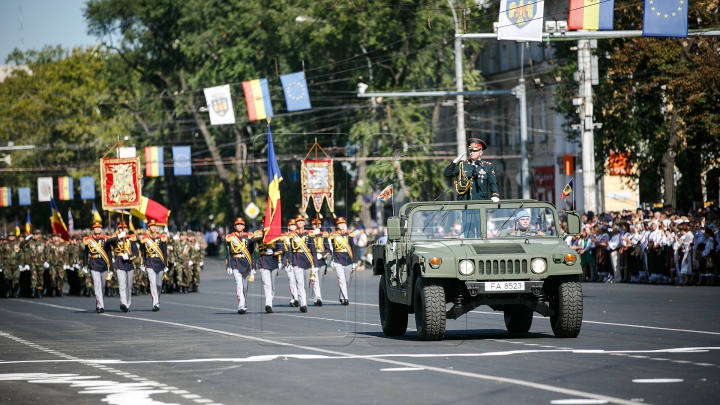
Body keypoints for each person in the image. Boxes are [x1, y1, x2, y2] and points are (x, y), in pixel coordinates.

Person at [443, 138, 500, 202]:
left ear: (480, 152)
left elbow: (493, 183)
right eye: (470, 151)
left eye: (475, 151)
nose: (472, 153)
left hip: (480, 203)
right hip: (465, 203)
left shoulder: (487, 166)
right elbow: (447, 173)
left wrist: (495, 195)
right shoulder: (462, 165)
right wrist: (454, 162)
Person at [225, 218, 263, 314]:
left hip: (246, 263)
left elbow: (252, 252)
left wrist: (253, 266)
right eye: (237, 224)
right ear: (235, 226)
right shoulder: (231, 237)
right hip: (235, 262)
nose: (239, 226)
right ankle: (241, 306)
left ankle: (244, 304)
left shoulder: (248, 236)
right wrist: (228, 265)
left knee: (245, 286)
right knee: (239, 284)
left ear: (244, 226)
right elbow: (228, 252)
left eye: (241, 224)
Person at [106, 222, 138, 312]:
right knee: (122, 284)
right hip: (119, 262)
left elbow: (136, 252)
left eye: (124, 228)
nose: (122, 229)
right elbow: (108, 241)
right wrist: (119, 236)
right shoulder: (116, 238)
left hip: (129, 262)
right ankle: (123, 303)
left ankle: (128, 304)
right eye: (120, 228)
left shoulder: (131, 238)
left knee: (129, 286)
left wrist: (129, 257)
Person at [286, 215, 315, 313]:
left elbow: (313, 249)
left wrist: (314, 262)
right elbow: (290, 249)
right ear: (296, 223)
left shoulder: (308, 234)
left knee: (306, 284)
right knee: (300, 283)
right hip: (297, 261)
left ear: (304, 222)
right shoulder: (293, 235)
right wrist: (289, 261)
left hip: (307, 260)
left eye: (302, 221)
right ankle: (303, 304)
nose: (300, 223)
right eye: (298, 221)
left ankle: (304, 301)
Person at [140, 219, 168, 312]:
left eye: (154, 226)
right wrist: (143, 263)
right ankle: (155, 303)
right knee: (152, 283)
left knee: (159, 284)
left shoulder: (161, 237)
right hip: (150, 262)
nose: (153, 227)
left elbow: (164, 251)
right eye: (151, 226)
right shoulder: (146, 239)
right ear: (149, 227)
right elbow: (143, 252)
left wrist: (165, 264)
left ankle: (157, 298)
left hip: (159, 262)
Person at [256, 217, 283, 313]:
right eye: (264, 224)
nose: (266, 225)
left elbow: (281, 248)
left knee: (272, 285)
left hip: (273, 260)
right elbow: (251, 241)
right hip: (263, 260)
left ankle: (269, 301)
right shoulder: (259, 234)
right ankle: (268, 304)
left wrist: (277, 253)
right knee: (266, 284)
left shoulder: (275, 235)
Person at [83, 222, 111, 313]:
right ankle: (100, 306)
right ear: (93, 229)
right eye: (96, 228)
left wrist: (110, 267)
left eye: (99, 228)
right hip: (94, 264)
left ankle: (99, 300)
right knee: (97, 285)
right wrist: (84, 265)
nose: (98, 229)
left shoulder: (105, 239)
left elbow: (109, 253)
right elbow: (85, 253)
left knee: (103, 286)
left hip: (103, 264)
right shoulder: (89, 240)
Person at [329, 217, 356, 306]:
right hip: (338, 258)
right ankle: (346, 298)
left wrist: (354, 261)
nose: (341, 225)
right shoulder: (333, 235)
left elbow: (353, 247)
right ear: (337, 225)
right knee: (341, 280)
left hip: (348, 259)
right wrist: (332, 259)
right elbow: (332, 248)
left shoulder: (349, 234)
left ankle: (341, 295)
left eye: (342, 223)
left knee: (347, 280)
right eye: (339, 223)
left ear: (345, 224)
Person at [308, 218, 329, 306]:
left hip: (321, 260)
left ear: (320, 225)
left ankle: (317, 296)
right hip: (312, 259)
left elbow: (328, 248)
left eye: (317, 224)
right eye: (314, 225)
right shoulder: (309, 235)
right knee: (314, 279)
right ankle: (318, 297)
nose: (316, 226)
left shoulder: (324, 235)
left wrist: (323, 255)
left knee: (320, 280)